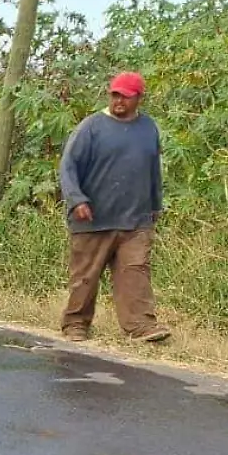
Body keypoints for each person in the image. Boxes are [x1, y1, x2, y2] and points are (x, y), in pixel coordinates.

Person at [58, 71, 171, 343]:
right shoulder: (91, 127)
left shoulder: (148, 128)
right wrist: (77, 199)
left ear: (139, 99)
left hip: (136, 218)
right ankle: (76, 324)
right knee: (85, 276)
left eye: (126, 96)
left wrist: (155, 204)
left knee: (136, 272)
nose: (119, 101)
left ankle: (141, 327)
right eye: (115, 94)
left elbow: (152, 169)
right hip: (93, 217)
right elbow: (68, 166)